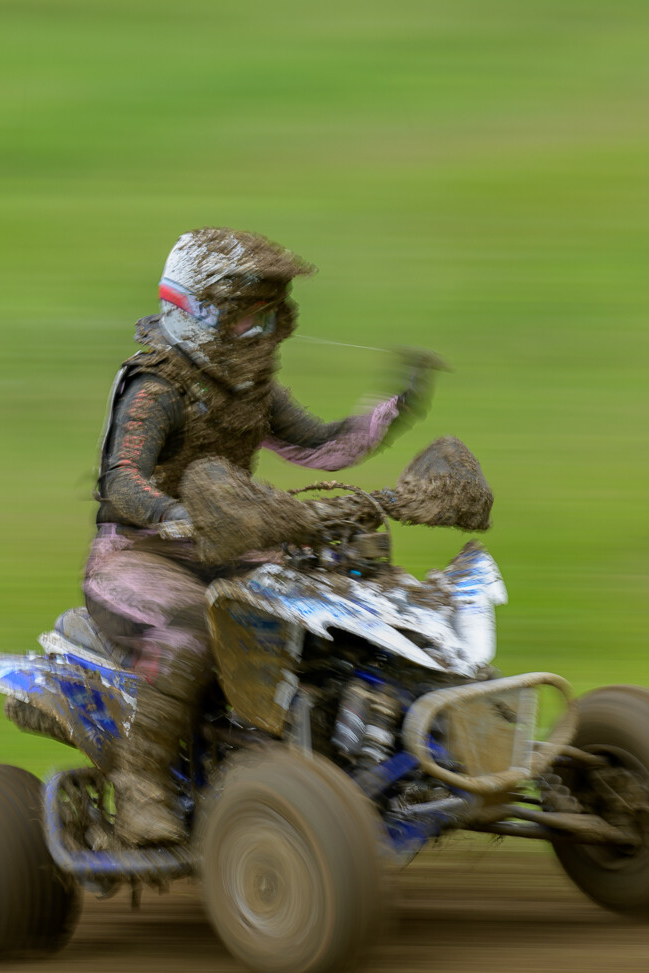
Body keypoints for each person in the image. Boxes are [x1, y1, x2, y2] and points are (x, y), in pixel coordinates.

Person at [82, 227, 439, 844]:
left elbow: (323, 448)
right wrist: (175, 516)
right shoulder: (158, 386)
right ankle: (143, 787)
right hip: (140, 556)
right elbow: (120, 480)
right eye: (247, 314)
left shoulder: (254, 388)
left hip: (233, 540)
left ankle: (378, 742)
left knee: (354, 588)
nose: (261, 329)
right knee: (196, 627)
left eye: (270, 313)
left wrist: (391, 410)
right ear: (198, 312)